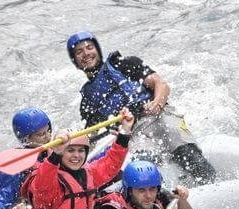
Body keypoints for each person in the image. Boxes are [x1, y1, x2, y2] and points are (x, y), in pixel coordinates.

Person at [66, 31, 216, 185]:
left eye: (89, 47)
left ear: (97, 49)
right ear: (75, 61)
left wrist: (156, 103)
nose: (86, 53)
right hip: (136, 133)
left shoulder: (124, 64)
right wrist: (69, 151)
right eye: (79, 52)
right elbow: (90, 136)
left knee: (186, 153)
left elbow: (161, 85)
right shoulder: (88, 99)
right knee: (144, 168)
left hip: (161, 116)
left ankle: (211, 183)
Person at [0, 107, 52, 209]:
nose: (48, 137)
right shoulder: (15, 168)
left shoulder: (55, 153)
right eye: (41, 135)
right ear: (26, 139)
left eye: (48, 131)